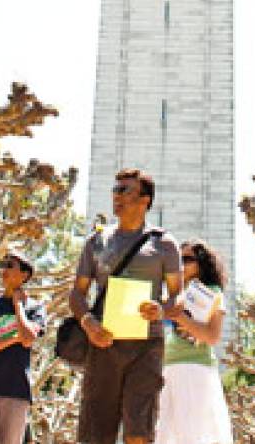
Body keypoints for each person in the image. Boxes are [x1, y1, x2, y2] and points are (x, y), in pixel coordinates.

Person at [70, 169, 184, 444]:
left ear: (145, 200)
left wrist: (161, 309)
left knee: (139, 432)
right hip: (103, 344)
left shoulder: (165, 244)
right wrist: (88, 322)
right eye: (115, 189)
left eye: (125, 190)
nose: (116, 196)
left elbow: (178, 298)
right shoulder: (96, 242)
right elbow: (77, 293)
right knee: (95, 433)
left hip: (146, 346)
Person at [156, 240, 233, 444]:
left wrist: (181, 318)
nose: (181, 265)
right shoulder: (175, 293)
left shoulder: (213, 292)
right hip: (166, 368)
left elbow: (212, 336)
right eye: (178, 260)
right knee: (162, 436)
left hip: (194, 368)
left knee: (194, 436)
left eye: (187, 259)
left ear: (202, 263)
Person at [0, 251, 47, 444]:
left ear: (24, 275)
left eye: (10, 265)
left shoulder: (35, 308)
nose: (4, 270)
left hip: (17, 391)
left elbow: (28, 339)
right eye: (3, 265)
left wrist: (19, 306)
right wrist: (12, 340)